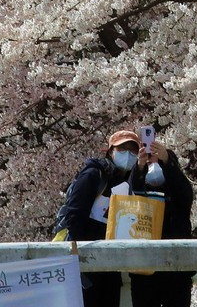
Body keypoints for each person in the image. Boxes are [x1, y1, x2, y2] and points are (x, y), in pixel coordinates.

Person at [53, 129, 143, 307]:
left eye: (133, 151)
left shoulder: (129, 183)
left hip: (110, 263)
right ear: (111, 151)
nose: (128, 155)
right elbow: (74, 214)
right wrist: (81, 254)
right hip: (85, 262)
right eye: (122, 149)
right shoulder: (94, 175)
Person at [129, 135, 194, 307]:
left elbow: (184, 195)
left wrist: (167, 160)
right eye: (151, 164)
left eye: (159, 164)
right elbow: (131, 191)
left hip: (177, 267)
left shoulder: (178, 188)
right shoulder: (138, 187)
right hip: (144, 269)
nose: (154, 167)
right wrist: (140, 167)